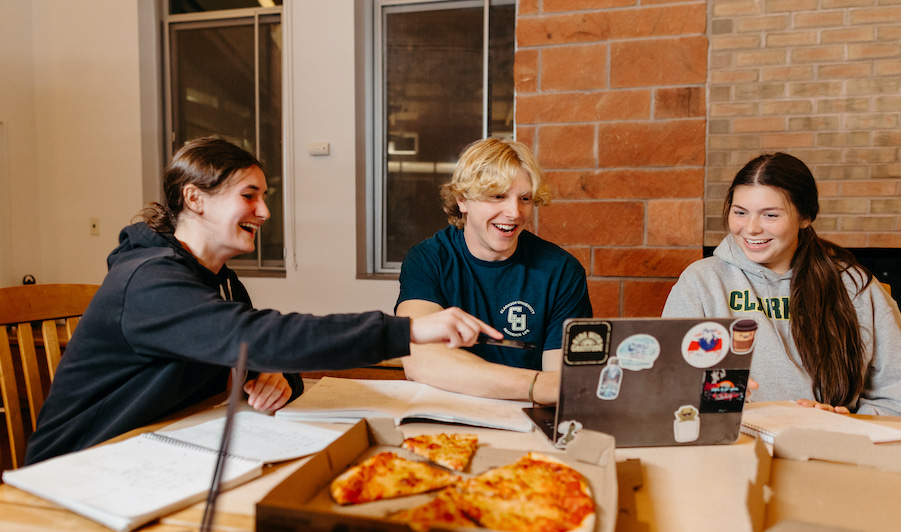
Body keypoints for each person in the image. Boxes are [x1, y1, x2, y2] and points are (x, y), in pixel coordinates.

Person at [25, 137, 501, 465]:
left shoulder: (221, 281)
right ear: (195, 199)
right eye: (249, 195)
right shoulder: (148, 282)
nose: (265, 212)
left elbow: (259, 351)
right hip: (79, 467)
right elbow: (257, 335)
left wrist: (278, 377)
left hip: (162, 444)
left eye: (265, 196)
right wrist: (409, 331)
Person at [663, 152, 901, 415]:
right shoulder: (700, 282)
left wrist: (851, 421)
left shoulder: (855, 286)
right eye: (740, 212)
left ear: (805, 217)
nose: (751, 228)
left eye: (770, 215)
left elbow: (894, 397)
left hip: (831, 443)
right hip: (734, 444)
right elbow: (667, 386)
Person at [395, 138, 592, 405]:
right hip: (445, 418)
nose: (513, 212)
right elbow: (420, 360)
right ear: (462, 200)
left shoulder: (562, 271)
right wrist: (534, 384)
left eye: (525, 199)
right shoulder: (429, 259)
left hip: (524, 420)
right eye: (497, 196)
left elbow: (560, 385)